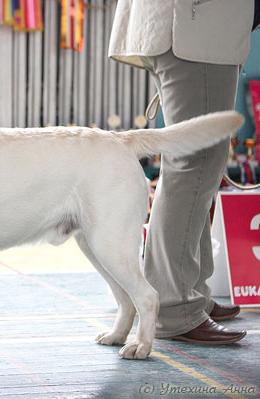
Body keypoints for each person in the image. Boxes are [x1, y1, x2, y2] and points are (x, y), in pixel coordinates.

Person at [109, 0, 258, 344]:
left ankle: (191, 292)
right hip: (193, 28)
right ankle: (174, 306)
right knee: (194, 164)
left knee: (200, 167)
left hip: (194, 29)